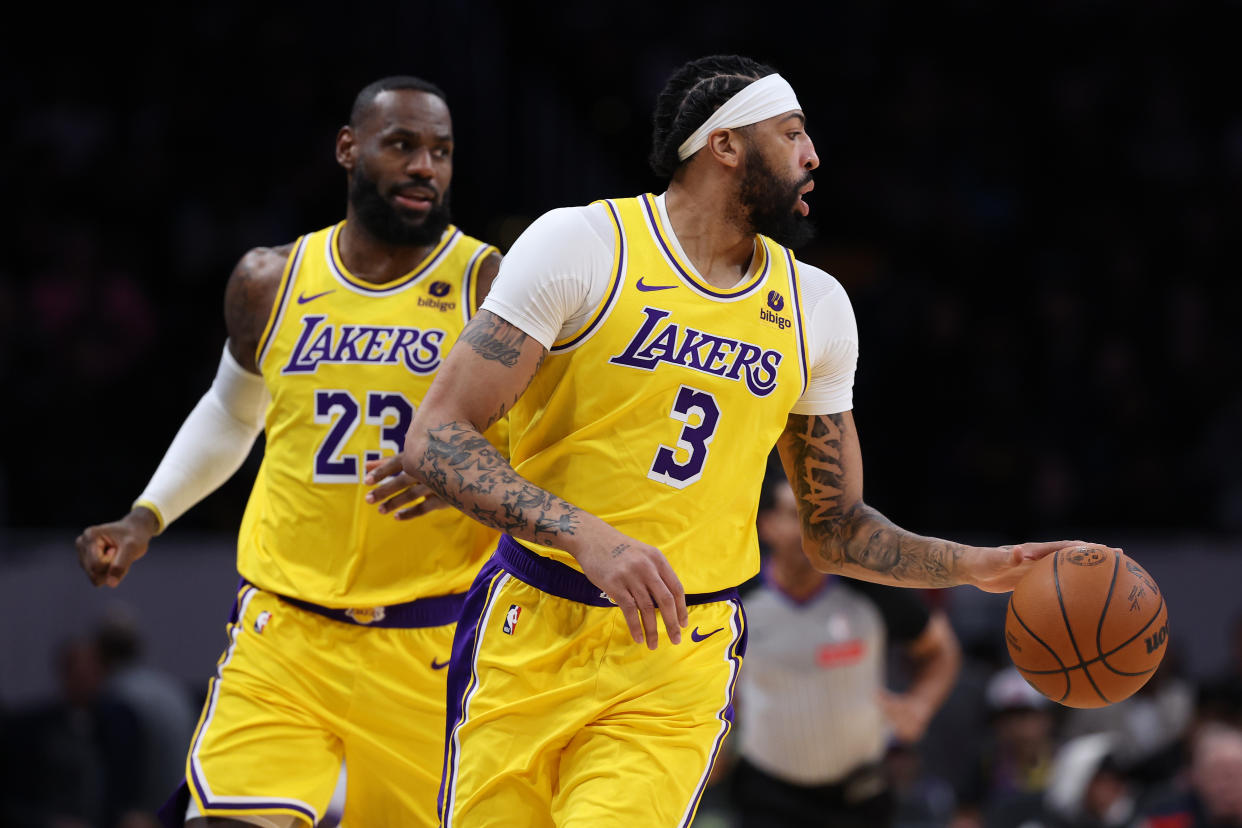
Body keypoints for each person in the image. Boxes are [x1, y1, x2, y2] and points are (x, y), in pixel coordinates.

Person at [367, 53, 1112, 827]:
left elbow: (834, 527)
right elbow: (439, 436)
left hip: (676, 652)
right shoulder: (583, 244)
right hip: (529, 622)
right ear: (724, 145)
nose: (813, 155)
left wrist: (975, 566)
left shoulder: (814, 305)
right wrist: (588, 537)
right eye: (792, 133)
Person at [75, 75, 504, 827]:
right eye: (401, 144)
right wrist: (146, 517)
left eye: (441, 151)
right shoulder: (270, 280)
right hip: (286, 634)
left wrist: (469, 479)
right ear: (348, 148)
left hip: (432, 646)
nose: (424, 168)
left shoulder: (489, 285)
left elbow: (551, 438)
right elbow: (231, 412)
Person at [722, 469, 963, 828]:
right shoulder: (737, 602)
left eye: (819, 518)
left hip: (860, 794)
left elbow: (941, 649)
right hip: (768, 792)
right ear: (766, 525)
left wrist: (920, 705)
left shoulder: (871, 591)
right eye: (795, 516)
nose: (810, 529)